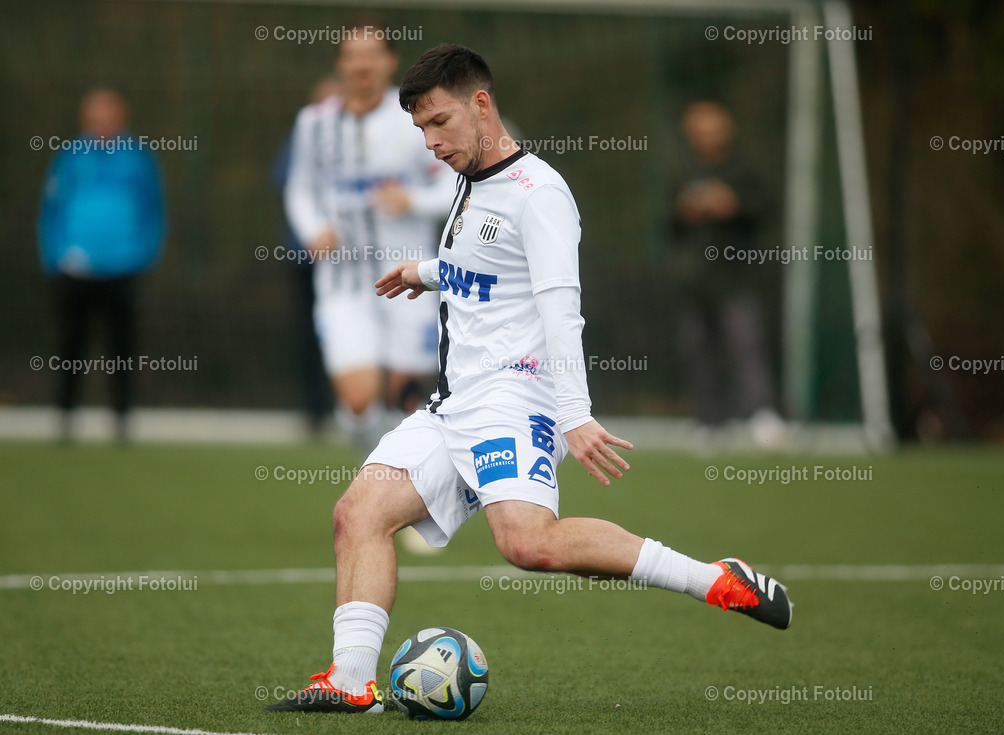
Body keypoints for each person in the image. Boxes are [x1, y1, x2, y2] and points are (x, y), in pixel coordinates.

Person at [265, 44, 792, 715]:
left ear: (481, 104)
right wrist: (423, 271)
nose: (430, 142)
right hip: (455, 400)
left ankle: (714, 579)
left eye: (439, 123)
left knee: (528, 543)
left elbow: (559, 306)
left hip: (515, 396)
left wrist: (574, 411)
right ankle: (351, 679)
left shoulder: (539, 192)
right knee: (358, 513)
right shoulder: (470, 178)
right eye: (421, 129)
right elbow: (484, 262)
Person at [285, 22, 455, 451]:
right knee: (359, 402)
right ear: (342, 63)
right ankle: (373, 472)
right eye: (352, 56)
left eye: (371, 54)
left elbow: (453, 185)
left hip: (409, 277)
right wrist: (313, 229)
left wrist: (410, 199)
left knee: (409, 398)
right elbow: (300, 188)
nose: (361, 64)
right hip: (342, 279)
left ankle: (401, 498)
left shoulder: (416, 118)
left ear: (389, 61)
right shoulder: (314, 123)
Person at [38, 88, 166, 442]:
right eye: (95, 115)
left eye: (108, 114)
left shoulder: (138, 159)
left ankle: (121, 421)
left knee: (121, 350)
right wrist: (55, 256)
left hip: (123, 268)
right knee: (70, 347)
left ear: (121, 118)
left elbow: (154, 209)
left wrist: (142, 255)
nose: (102, 122)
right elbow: (51, 209)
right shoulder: (71, 157)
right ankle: (64, 418)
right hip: (74, 269)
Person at [669, 102, 783, 442]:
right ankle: (709, 423)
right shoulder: (680, 170)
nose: (705, 138)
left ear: (726, 131)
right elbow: (666, 222)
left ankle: (760, 416)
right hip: (694, 280)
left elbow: (767, 209)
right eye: (698, 131)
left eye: (712, 130)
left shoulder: (745, 167)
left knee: (744, 345)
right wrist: (685, 210)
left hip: (737, 276)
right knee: (697, 351)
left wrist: (732, 204)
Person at [272, 76, 345, 438]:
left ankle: (356, 409)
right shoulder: (303, 136)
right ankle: (317, 412)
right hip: (308, 260)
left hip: (356, 262)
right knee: (311, 336)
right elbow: (289, 185)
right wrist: (315, 232)